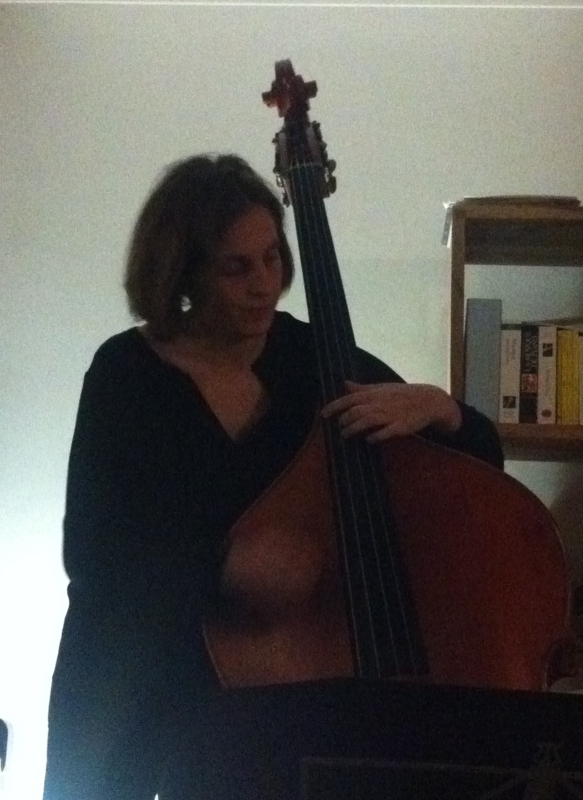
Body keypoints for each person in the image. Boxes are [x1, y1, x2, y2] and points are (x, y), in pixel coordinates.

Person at [43, 154, 504, 800]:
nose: (264, 284)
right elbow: (95, 554)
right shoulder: (125, 374)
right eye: (236, 267)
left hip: (262, 700)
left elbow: (476, 471)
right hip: (130, 685)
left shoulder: (316, 360)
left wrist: (442, 408)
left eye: (271, 259)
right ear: (184, 271)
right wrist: (222, 568)